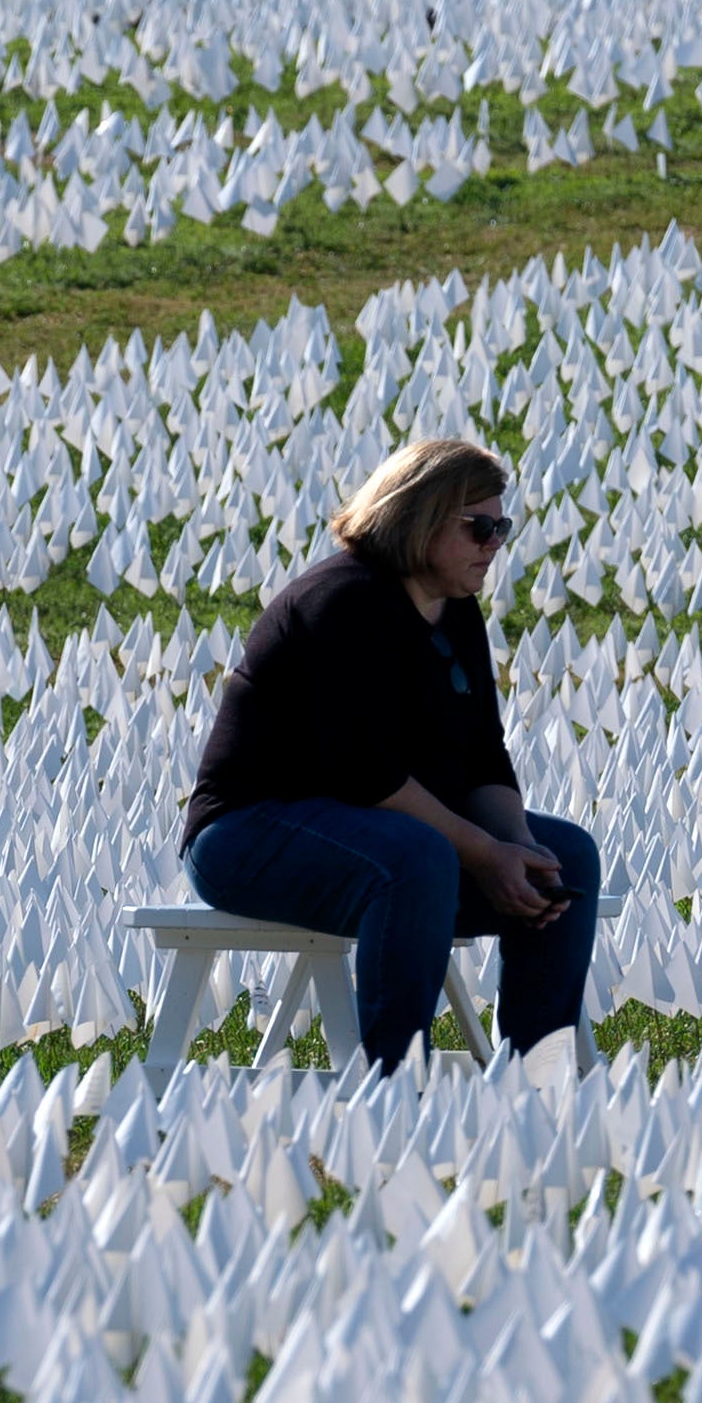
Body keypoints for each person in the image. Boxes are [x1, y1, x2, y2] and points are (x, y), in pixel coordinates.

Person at [178, 436, 603, 1074]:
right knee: (417, 859)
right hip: (249, 832)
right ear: (421, 517)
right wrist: (485, 855)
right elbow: (364, 771)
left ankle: (537, 1083)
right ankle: (394, 1082)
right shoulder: (343, 603)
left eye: (502, 526)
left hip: (379, 829)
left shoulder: (456, 610)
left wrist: (515, 844)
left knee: (564, 856)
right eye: (479, 527)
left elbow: (484, 755)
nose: (495, 544)